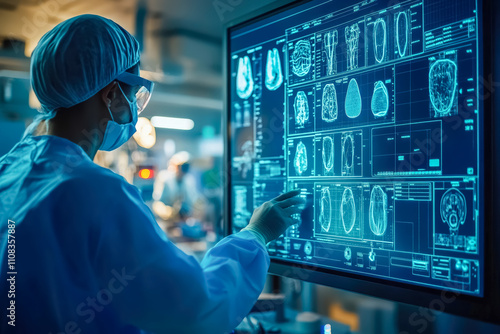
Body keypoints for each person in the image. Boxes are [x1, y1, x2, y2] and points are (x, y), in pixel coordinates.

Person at [0, 15, 304, 334]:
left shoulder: (10, 169)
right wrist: (255, 235)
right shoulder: (96, 192)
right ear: (112, 94)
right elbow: (196, 313)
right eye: (133, 94)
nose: (132, 106)